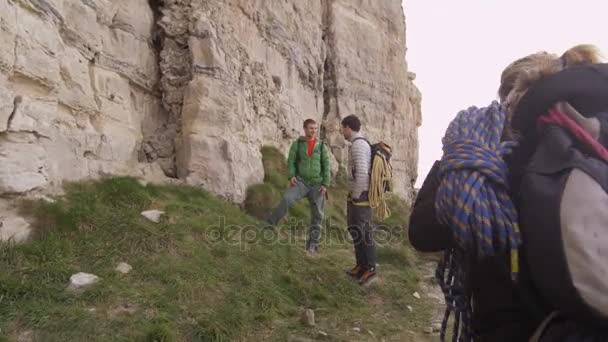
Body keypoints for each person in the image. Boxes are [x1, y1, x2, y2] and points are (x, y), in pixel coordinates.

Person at [408, 45, 603, 342]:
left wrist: (456, 161)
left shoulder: (506, 164)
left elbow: (422, 232)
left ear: (512, 97)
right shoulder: (588, 153)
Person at [266, 119, 330, 256]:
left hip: (317, 185)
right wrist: (291, 175)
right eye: (311, 128)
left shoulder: (322, 146)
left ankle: (312, 245)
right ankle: (270, 224)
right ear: (305, 129)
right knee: (287, 199)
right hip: (301, 182)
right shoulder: (297, 144)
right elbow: (291, 161)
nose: (313, 131)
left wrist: (325, 184)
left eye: (315, 128)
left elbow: (326, 166)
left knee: (318, 215)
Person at [340, 115, 377, 285]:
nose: (341, 131)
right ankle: (361, 265)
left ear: (348, 127)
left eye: (342, 128)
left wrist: (355, 195)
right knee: (355, 230)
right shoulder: (357, 144)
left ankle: (369, 268)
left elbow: (362, 173)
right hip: (357, 194)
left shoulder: (359, 145)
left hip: (361, 195)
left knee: (364, 232)